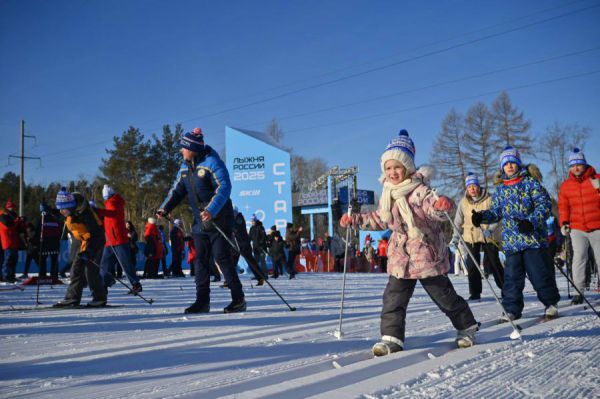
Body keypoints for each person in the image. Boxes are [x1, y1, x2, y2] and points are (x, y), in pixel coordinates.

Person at [340, 129, 478, 355]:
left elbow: (435, 210)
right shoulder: (387, 194)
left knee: (444, 297)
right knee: (393, 298)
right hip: (400, 258)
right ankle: (391, 337)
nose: (393, 172)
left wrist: (442, 206)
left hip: (425, 254)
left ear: (408, 168)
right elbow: (378, 219)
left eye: (397, 167)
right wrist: (355, 220)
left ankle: (467, 326)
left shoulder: (421, 191)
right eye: (388, 168)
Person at [157, 127, 245, 314]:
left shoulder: (212, 162)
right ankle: (202, 301)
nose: (181, 151)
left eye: (183, 148)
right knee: (200, 261)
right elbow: (176, 191)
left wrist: (211, 210)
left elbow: (224, 187)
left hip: (219, 217)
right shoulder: (185, 168)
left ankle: (238, 299)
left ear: (193, 148)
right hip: (199, 220)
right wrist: (165, 207)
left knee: (221, 258)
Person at [473, 146, 560, 321]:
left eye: (513, 162)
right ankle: (511, 309)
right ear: (502, 167)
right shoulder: (500, 190)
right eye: (506, 163)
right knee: (512, 279)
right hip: (512, 242)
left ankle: (551, 303)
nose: (510, 166)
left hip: (532, 239)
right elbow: (496, 212)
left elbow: (544, 207)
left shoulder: (531, 183)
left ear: (518, 164)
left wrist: (531, 221)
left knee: (539, 274)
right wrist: (483, 216)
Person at [450, 172, 504, 300]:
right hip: (471, 236)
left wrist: (490, 230)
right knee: (472, 265)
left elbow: (497, 217)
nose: (472, 189)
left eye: (474, 186)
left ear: (479, 186)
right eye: (469, 187)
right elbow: (458, 222)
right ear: (466, 189)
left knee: (494, 262)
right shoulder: (463, 202)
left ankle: (505, 288)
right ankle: (475, 292)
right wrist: (455, 238)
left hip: (488, 235)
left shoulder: (490, 199)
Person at [558, 148, 600, 305]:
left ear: (584, 164)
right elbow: (563, 206)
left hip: (597, 226)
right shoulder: (566, 186)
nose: (576, 168)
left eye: (579, 164)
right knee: (578, 258)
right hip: (577, 228)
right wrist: (564, 223)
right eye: (572, 165)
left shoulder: (596, 180)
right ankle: (578, 292)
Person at [53, 188, 107, 307]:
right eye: (59, 208)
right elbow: (61, 214)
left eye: (63, 208)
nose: (61, 211)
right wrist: (48, 211)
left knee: (89, 270)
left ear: (70, 206)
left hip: (94, 242)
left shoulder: (86, 215)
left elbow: (97, 234)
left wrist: (89, 251)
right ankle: (74, 298)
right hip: (82, 242)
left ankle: (98, 298)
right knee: (77, 270)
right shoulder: (71, 211)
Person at [96, 185, 142, 294]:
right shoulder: (111, 202)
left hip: (118, 240)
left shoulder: (113, 202)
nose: (105, 199)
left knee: (124, 263)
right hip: (111, 240)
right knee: (105, 265)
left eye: (106, 196)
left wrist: (98, 211)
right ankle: (104, 285)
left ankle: (135, 284)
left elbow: (112, 213)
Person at [232, 208, 266, 285]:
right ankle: (229, 280)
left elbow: (237, 227)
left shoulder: (239, 218)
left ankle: (260, 277)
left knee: (250, 261)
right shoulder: (234, 218)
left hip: (243, 243)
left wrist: (232, 227)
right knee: (232, 262)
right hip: (236, 243)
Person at [0, 200, 25, 282]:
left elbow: (17, 227)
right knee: (8, 260)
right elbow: (8, 226)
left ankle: (11, 275)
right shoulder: (3, 216)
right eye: (10, 208)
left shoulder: (12, 216)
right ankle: (5, 276)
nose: (12, 209)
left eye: (13, 207)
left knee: (13, 260)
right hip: (7, 241)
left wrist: (20, 222)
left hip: (14, 241)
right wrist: (17, 221)